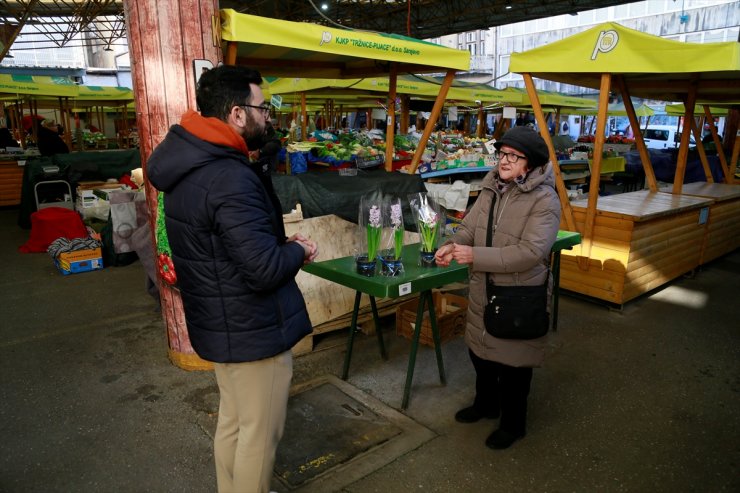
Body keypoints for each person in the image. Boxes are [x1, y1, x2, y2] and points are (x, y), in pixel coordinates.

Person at [146, 65, 318, 493]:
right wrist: (298, 249)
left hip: (223, 322)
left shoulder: (193, 162)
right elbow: (261, 269)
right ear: (238, 114)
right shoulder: (228, 176)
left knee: (235, 425)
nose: (269, 116)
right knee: (259, 437)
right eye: (263, 108)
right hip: (252, 328)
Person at [435, 126, 561, 450]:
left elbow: (530, 253)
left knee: (514, 366)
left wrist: (474, 255)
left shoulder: (545, 200)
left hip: (519, 293)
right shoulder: (491, 187)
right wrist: (454, 244)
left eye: (512, 156)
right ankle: (486, 404)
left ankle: (513, 423)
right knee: (481, 354)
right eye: (502, 153)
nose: (503, 161)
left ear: (529, 163)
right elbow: (469, 226)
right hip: (485, 287)